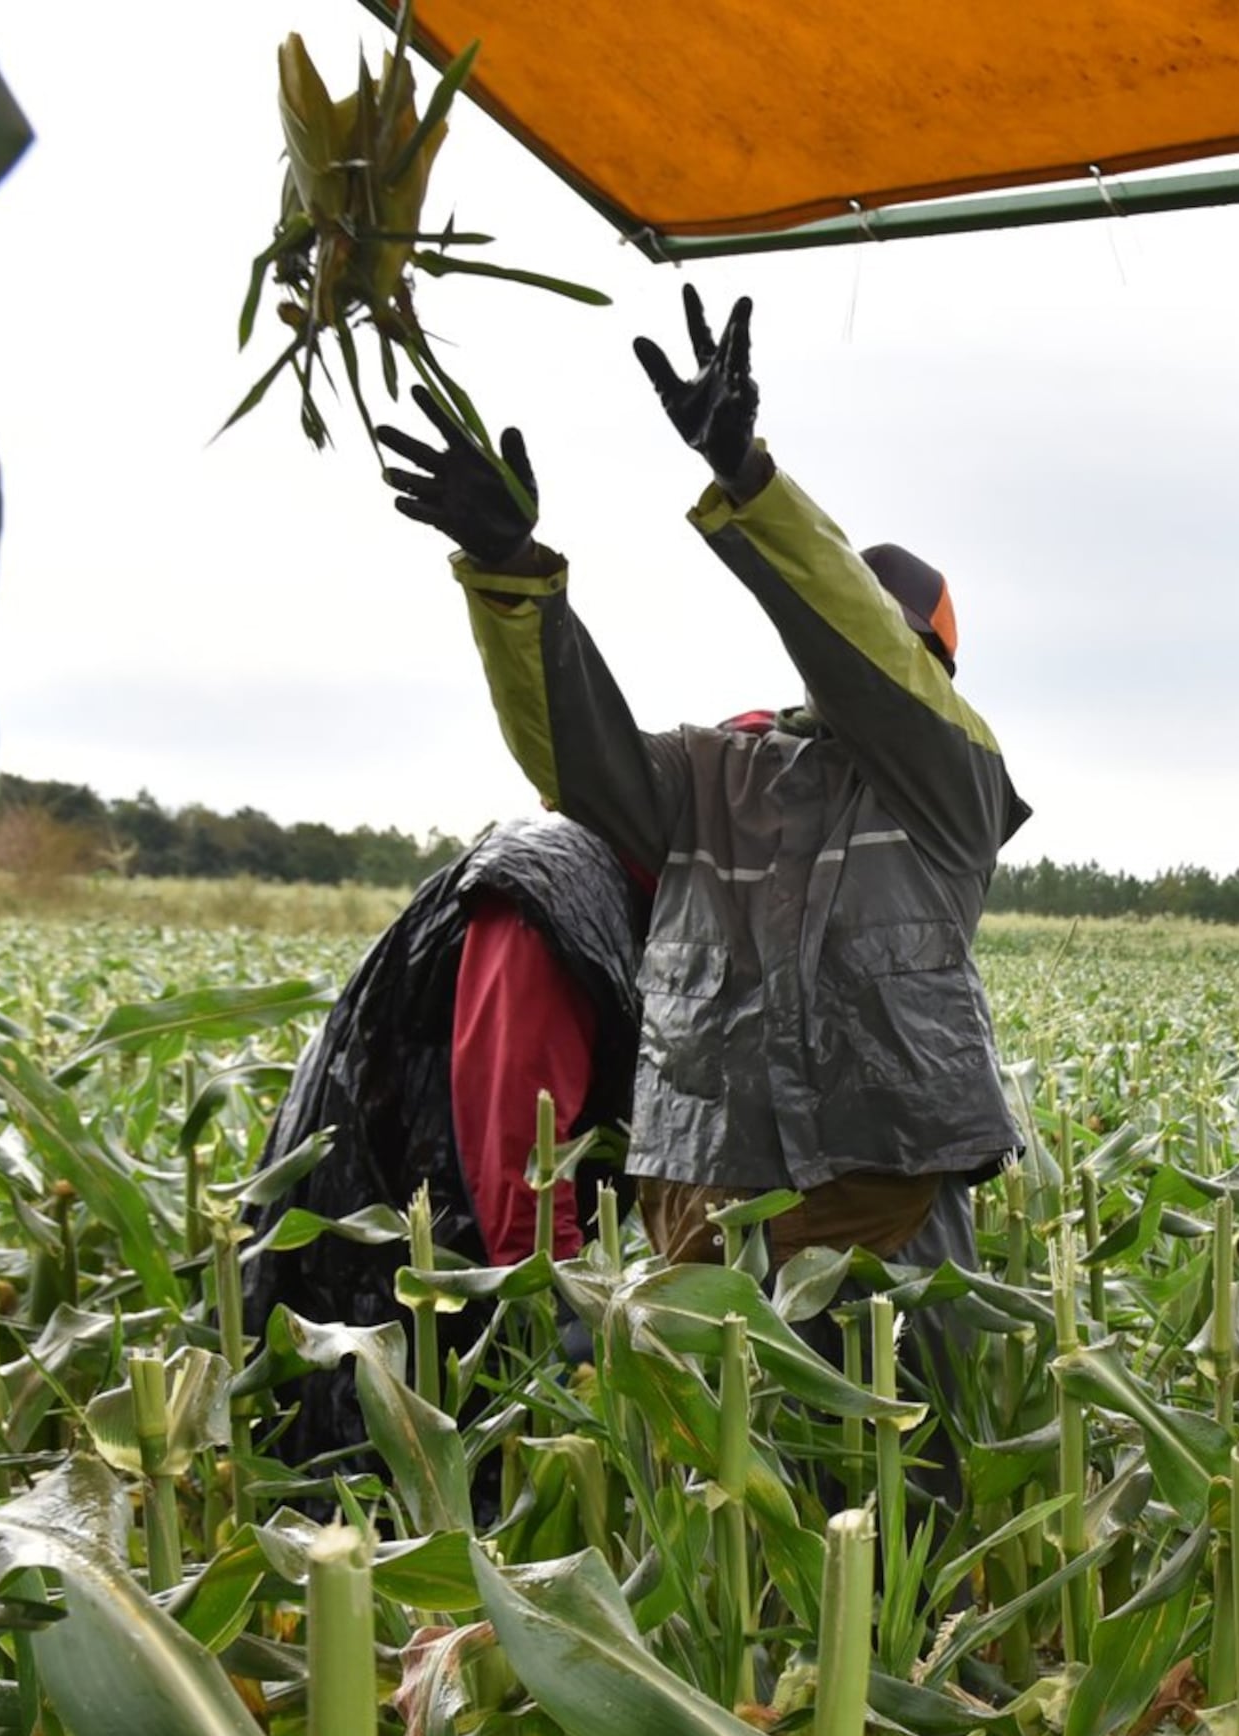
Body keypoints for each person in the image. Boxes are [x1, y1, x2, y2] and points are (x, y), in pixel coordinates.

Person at [374, 287, 1025, 1284]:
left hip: (885, 1234)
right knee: (697, 1448)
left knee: (909, 1440)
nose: (844, 648)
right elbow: (575, 759)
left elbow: (862, 646)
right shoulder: (719, 772)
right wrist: (510, 571)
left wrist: (747, 476)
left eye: (876, 635)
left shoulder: (952, 782)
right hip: (705, 1238)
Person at [244, 810, 647, 1461]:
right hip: (395, 1237)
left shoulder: (631, 888)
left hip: (455, 1235)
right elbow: (524, 1173)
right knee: (388, 1461)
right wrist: (575, 1330)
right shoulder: (548, 902)